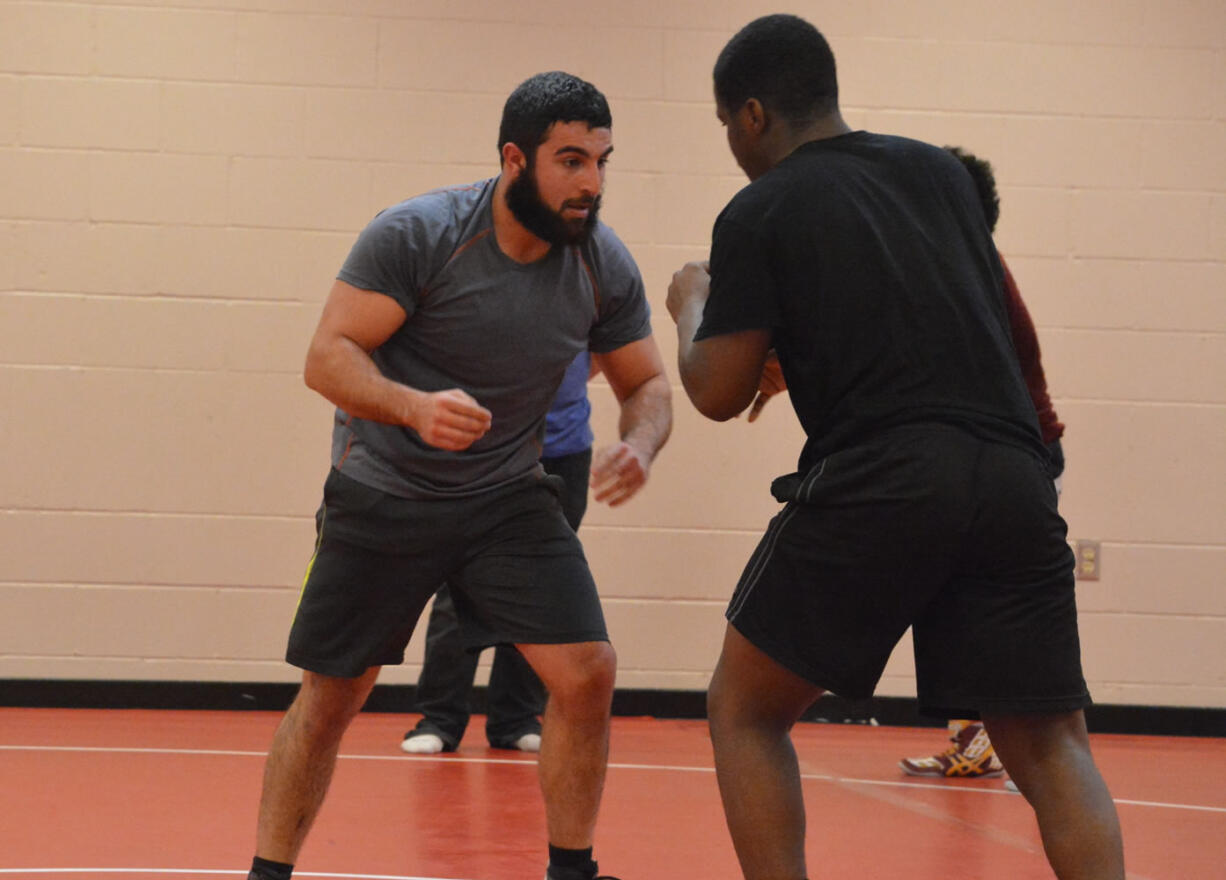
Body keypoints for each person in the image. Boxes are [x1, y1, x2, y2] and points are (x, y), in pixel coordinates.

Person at [665, 14, 1123, 880]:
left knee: (745, 709)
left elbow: (715, 392)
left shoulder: (762, 206)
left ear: (752, 114)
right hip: (1014, 476)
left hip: (887, 475)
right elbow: (927, 322)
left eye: (728, 125)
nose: (732, 143)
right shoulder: (939, 175)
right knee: (1054, 747)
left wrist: (692, 300)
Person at [246, 71, 671, 880]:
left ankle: (571, 872)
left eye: (602, 162)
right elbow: (326, 357)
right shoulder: (420, 235)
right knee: (332, 698)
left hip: (507, 497)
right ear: (515, 160)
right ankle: (269, 872)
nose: (592, 184)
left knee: (587, 673)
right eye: (571, 161)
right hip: (384, 491)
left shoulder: (599, 262)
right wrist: (411, 407)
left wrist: (641, 444)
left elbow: (646, 382)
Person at [899, 146, 1067, 781]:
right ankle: (972, 739)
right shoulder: (966, 268)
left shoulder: (974, 275)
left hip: (1020, 456)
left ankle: (987, 739)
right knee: (953, 594)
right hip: (1011, 456)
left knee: (972, 602)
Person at [401, 350, 596, 755]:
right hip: (482, 447)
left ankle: (516, 717)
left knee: (539, 589)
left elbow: (615, 358)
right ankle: (440, 717)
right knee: (457, 587)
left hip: (564, 451)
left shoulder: (599, 285)